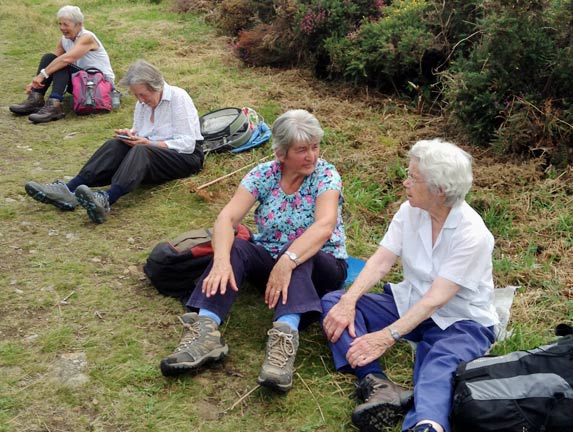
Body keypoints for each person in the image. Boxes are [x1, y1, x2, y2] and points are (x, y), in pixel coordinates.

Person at [159, 109, 348, 393]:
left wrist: (288, 260)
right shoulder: (264, 175)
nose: (311, 155)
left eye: (315, 146)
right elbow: (226, 219)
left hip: (322, 265)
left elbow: (324, 226)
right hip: (273, 260)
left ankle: (284, 339)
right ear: (282, 153)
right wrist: (221, 261)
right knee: (235, 245)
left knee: (295, 249)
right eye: (302, 149)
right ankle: (206, 330)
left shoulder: (326, 175)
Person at [322, 139, 499, 432]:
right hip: (411, 301)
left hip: (460, 319)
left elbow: (437, 299)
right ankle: (377, 384)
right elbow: (380, 262)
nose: (405, 182)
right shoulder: (410, 211)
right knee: (335, 304)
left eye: (413, 178)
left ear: (439, 190)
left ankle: (427, 425)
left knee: (437, 366)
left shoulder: (473, 234)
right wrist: (349, 300)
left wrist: (387, 336)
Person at [24, 60, 204, 224]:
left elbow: (187, 144)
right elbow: (141, 131)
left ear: (156, 86)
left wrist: (149, 144)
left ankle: (107, 199)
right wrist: (130, 134)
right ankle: (69, 190)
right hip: (152, 153)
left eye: (143, 95)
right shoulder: (142, 103)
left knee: (142, 150)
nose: (140, 100)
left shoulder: (179, 98)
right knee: (116, 145)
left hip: (185, 158)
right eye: (136, 96)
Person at [9, 5, 115, 124]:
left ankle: (55, 105)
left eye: (65, 24)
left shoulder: (87, 38)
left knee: (63, 64)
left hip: (100, 85)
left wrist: (42, 75)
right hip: (83, 82)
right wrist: (34, 84)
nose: (62, 28)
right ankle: (36, 99)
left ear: (79, 24)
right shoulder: (65, 38)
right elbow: (52, 60)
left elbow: (65, 60)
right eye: (60, 24)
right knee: (49, 57)